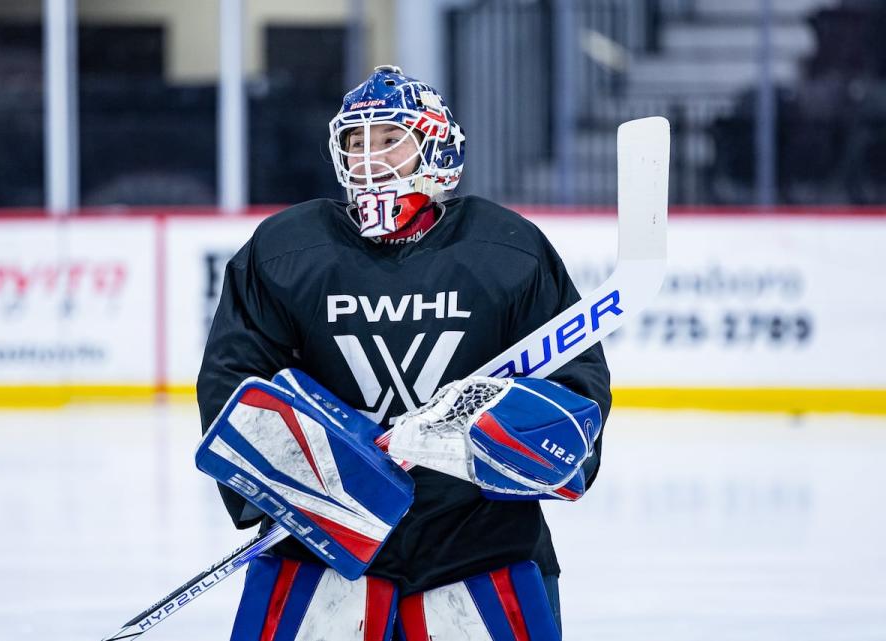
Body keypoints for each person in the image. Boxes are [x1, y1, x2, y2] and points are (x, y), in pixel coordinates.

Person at [197, 65, 611, 640]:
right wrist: (309, 488)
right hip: (325, 557)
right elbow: (231, 382)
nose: (369, 158)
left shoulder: (507, 250)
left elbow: (575, 392)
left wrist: (490, 433)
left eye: (390, 139)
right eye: (356, 142)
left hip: (480, 548)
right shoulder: (285, 253)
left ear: (434, 146)